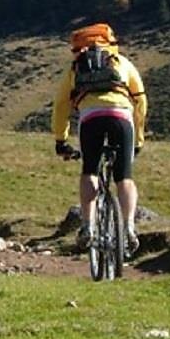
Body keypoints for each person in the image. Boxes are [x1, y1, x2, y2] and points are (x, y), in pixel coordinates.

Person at [52, 22, 147, 255]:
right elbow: (140, 99)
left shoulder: (76, 68)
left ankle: (88, 226)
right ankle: (129, 228)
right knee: (124, 178)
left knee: (90, 172)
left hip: (91, 119)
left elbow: (61, 105)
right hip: (121, 117)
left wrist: (61, 140)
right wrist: (138, 139)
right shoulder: (122, 62)